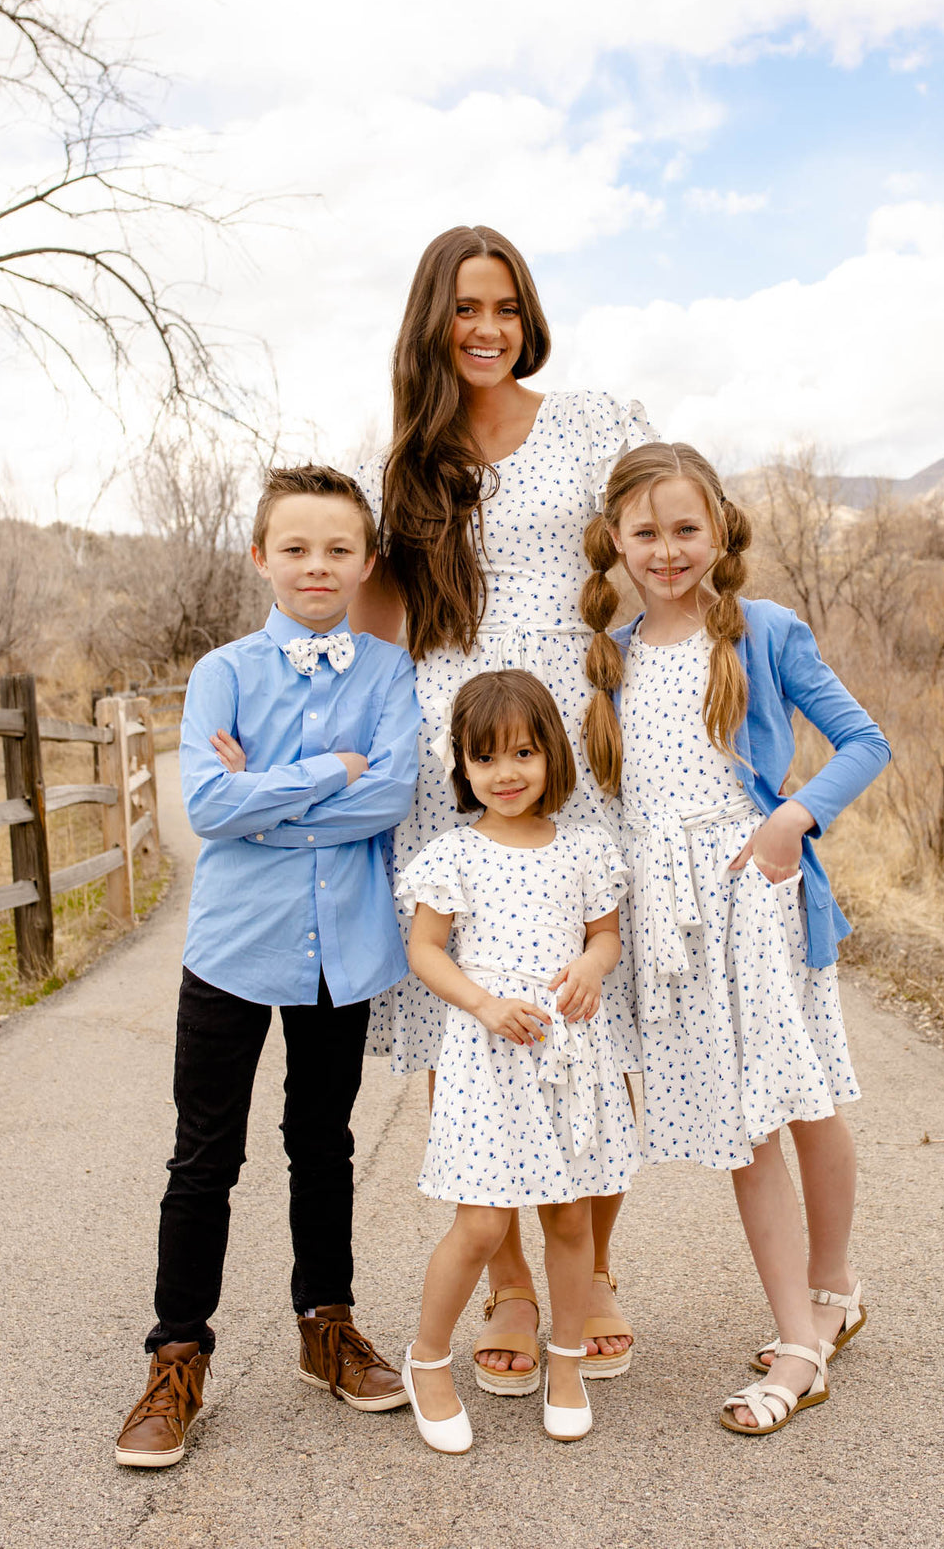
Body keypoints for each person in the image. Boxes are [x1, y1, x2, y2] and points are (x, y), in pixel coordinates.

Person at [352, 223, 655, 1385]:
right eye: (466, 309)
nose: (487, 330)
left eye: (506, 307)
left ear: (528, 317)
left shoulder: (590, 422)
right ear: (433, 320)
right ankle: (510, 1285)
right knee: (467, 1020)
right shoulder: (410, 465)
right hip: (452, 749)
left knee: (591, 1004)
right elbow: (379, 617)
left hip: (574, 736)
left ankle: (590, 1269)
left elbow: (667, 538)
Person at [581, 442, 890, 1435]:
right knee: (745, 1128)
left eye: (686, 528)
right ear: (616, 541)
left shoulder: (764, 631)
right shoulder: (611, 654)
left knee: (803, 1101)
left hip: (753, 894)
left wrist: (790, 821)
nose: (667, 550)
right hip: (670, 921)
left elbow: (864, 743)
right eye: (646, 531)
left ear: (719, 528)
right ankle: (804, 1327)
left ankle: (825, 1301)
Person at [114, 465, 421, 1468]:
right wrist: (334, 771)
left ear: (366, 560)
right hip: (235, 948)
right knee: (205, 1155)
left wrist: (270, 798)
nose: (317, 566)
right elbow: (208, 809)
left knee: (321, 1142)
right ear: (259, 557)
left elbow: (391, 800)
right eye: (295, 547)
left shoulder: (388, 673)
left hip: (345, 952)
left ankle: (325, 1326)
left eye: (338, 548)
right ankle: (176, 1354)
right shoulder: (224, 672)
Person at [395, 670, 638, 1452]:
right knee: (481, 1222)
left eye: (524, 753)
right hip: (489, 1052)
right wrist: (483, 1003)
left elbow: (605, 934)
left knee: (570, 1214)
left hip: (567, 1049)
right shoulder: (454, 854)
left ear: (552, 755)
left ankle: (565, 1363)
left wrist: (593, 968)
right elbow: (425, 950)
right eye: (486, 758)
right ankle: (427, 1361)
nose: (507, 774)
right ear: (462, 767)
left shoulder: (586, 848)